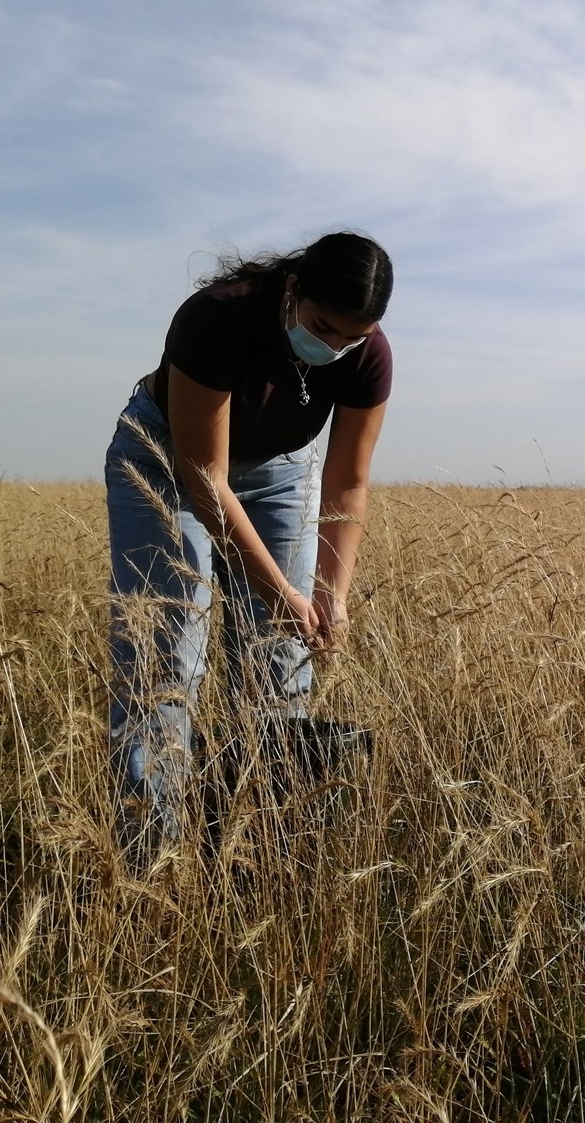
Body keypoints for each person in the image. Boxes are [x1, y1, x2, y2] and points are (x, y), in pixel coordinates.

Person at [106, 232, 394, 849]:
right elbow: (204, 476)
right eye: (322, 327)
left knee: (281, 659)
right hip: (166, 461)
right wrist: (278, 589)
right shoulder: (218, 317)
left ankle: (258, 845)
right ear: (293, 291)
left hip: (280, 470)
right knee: (165, 650)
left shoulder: (369, 356)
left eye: (352, 339)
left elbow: (347, 482)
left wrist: (329, 596)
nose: (334, 349)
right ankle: (153, 858)